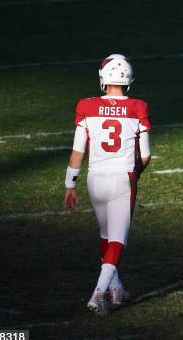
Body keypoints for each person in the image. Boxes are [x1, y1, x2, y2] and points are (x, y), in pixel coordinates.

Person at [63, 54, 151, 315]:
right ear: (128, 80)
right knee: (117, 240)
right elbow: (145, 156)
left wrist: (70, 185)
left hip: (94, 178)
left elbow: (78, 152)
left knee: (105, 235)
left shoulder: (86, 106)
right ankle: (98, 294)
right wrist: (135, 174)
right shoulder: (138, 107)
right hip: (123, 176)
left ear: (104, 79)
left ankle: (116, 288)